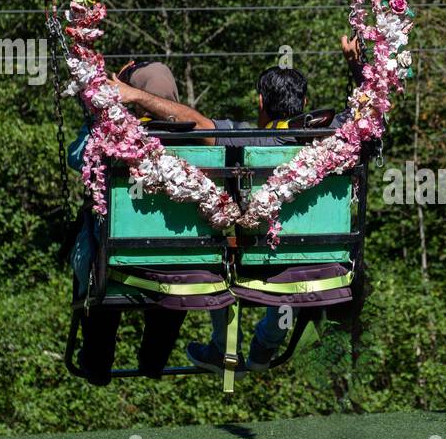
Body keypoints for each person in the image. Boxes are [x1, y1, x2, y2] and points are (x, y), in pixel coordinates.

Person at [185, 34, 364, 376]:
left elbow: (196, 124)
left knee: (221, 245)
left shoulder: (244, 139)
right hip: (325, 257)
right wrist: (355, 63)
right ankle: (264, 347)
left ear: (260, 102)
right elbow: (370, 109)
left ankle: (224, 349)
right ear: (305, 101)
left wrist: (135, 97)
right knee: (293, 274)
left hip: (258, 259)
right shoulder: (336, 137)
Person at [69, 61, 221, 385]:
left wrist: (98, 117)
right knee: (172, 277)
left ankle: (97, 359)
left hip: (120, 258)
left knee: (97, 261)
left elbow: (76, 156)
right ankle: (154, 356)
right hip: (182, 257)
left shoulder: (116, 141)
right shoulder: (201, 144)